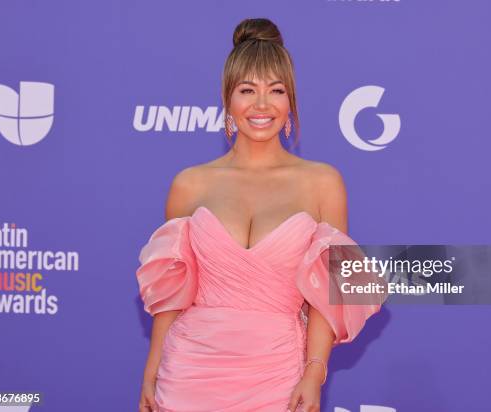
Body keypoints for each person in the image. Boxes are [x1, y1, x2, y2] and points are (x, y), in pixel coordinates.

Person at [136, 18, 382, 412]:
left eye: (276, 90)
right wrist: (150, 373)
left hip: (277, 376)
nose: (262, 105)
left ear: (291, 101)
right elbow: (171, 293)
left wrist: (314, 372)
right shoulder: (190, 184)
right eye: (247, 90)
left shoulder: (322, 183)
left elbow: (328, 294)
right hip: (188, 373)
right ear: (228, 101)